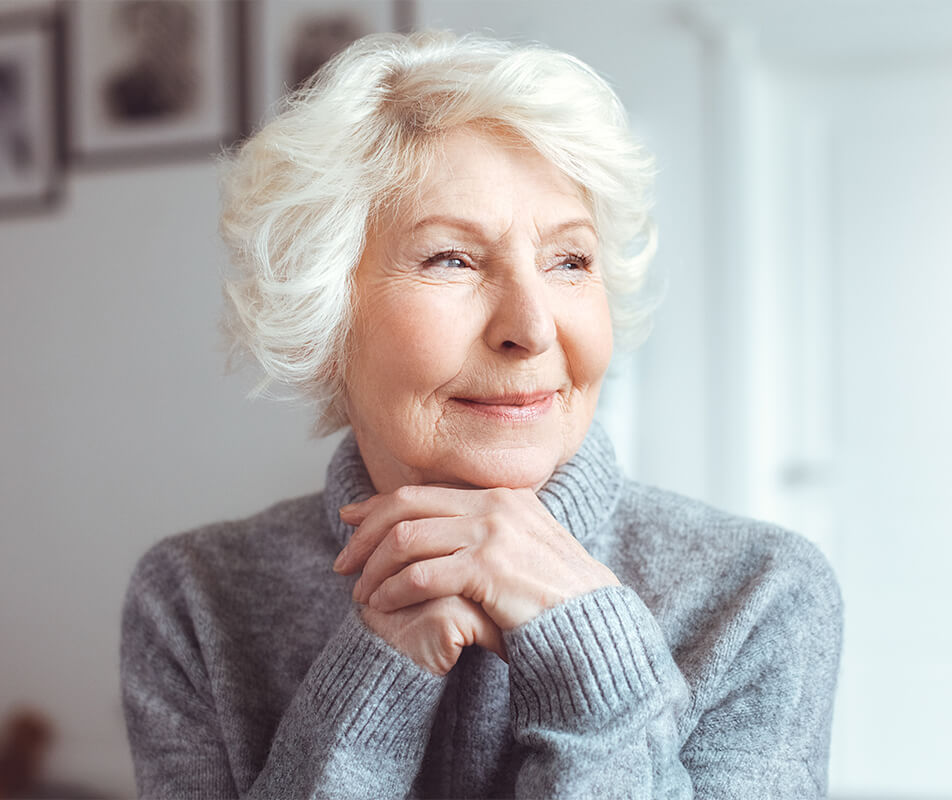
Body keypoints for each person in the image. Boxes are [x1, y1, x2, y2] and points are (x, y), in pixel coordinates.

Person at [120, 31, 842, 798]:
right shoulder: (195, 598)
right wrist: (377, 672)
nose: (530, 328)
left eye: (570, 260)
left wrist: (589, 653)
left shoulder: (761, 593)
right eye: (452, 259)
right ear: (326, 316)